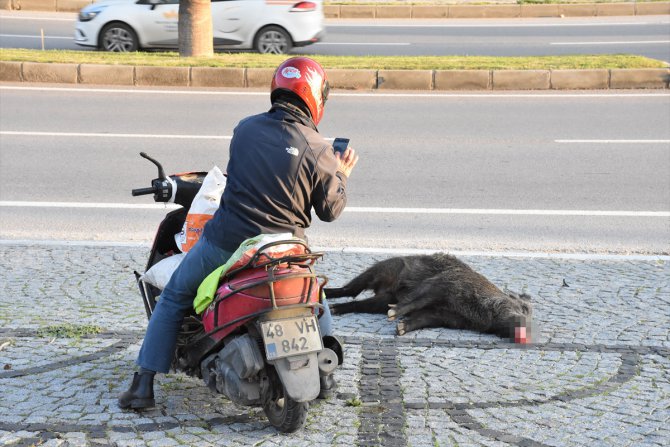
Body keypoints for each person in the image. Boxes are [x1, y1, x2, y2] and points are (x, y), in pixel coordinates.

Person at [118, 57, 359, 410]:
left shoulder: (244, 129)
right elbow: (329, 210)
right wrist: (340, 175)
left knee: (174, 296)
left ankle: (142, 386)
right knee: (312, 294)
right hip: (285, 245)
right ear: (315, 96)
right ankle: (326, 374)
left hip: (228, 241)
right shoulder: (320, 149)